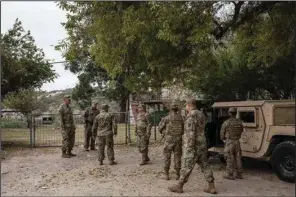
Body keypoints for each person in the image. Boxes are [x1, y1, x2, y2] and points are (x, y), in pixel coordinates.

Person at [168, 99, 217, 194]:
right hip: (202, 144)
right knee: (205, 165)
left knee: (186, 165)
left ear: (189, 105)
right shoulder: (201, 114)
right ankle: (211, 186)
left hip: (193, 146)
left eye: (186, 105)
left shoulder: (190, 116)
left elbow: (191, 133)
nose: (185, 107)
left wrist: (189, 148)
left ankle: (179, 186)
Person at [158, 101, 184, 180]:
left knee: (167, 157)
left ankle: (166, 174)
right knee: (178, 157)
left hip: (168, 140)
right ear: (177, 109)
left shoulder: (166, 118)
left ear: (170, 109)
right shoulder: (182, 118)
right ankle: (177, 174)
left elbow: (159, 128)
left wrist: (164, 132)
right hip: (178, 140)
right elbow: (184, 129)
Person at [220, 107, 244, 180]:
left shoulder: (226, 122)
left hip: (229, 141)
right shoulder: (239, 122)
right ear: (236, 113)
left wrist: (224, 139)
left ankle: (230, 174)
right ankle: (239, 174)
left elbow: (222, 134)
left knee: (229, 157)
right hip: (237, 141)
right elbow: (241, 130)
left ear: (229, 113)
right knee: (238, 157)